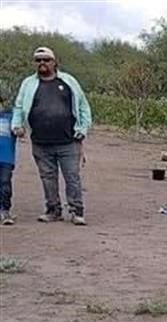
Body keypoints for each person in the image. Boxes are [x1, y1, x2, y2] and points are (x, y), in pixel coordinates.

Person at [11, 46, 92, 225]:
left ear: (54, 62)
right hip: (40, 142)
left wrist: (83, 128)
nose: (42, 63)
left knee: (72, 176)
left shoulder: (69, 81)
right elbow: (18, 106)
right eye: (38, 60)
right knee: (48, 178)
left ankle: (77, 211)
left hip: (69, 141)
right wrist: (17, 125)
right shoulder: (28, 84)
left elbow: (83, 106)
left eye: (46, 60)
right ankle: (53, 210)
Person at [0, 91, 15, 225]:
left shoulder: (10, 118)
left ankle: (5, 209)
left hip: (6, 157)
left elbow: (19, 130)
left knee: (5, 183)